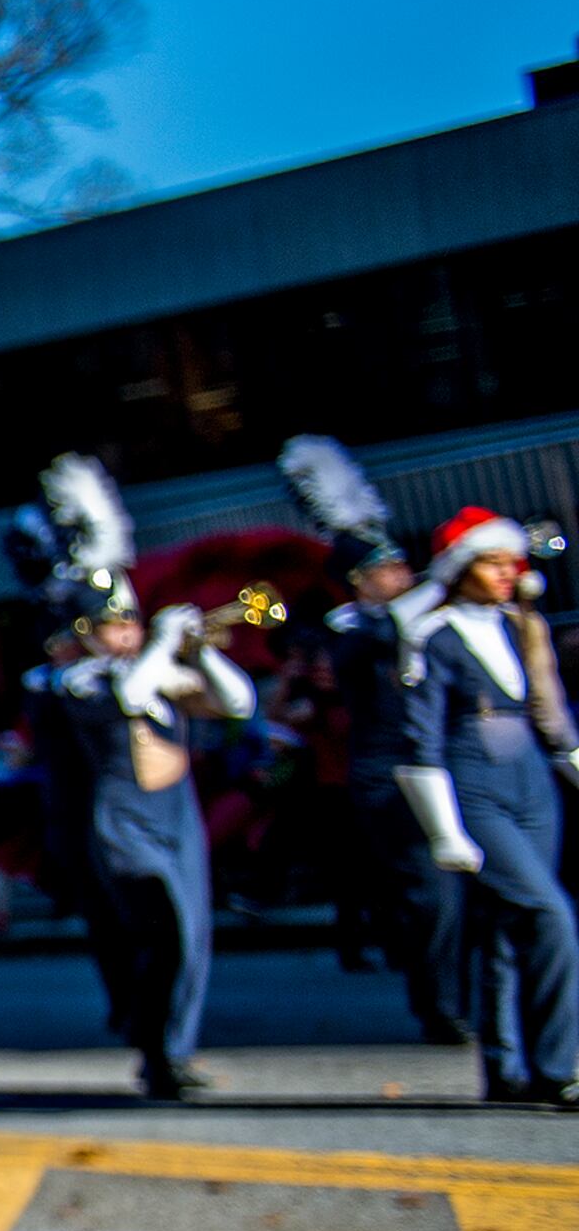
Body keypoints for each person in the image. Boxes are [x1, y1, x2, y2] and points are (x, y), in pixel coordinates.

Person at [41, 455, 254, 1100]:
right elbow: (130, 695)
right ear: (89, 631)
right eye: (115, 624)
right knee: (164, 936)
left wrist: (207, 654)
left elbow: (237, 705)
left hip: (178, 814)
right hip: (125, 819)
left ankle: (172, 1050)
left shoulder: (156, 671)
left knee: (194, 942)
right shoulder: (78, 680)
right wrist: (162, 643)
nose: (128, 632)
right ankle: (156, 1049)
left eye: (132, 621)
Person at [391, 508, 579, 1104]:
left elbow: (551, 713)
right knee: (552, 917)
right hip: (474, 778)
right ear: (461, 567)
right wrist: (444, 828)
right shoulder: (431, 635)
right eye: (492, 562)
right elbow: (419, 739)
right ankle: (559, 1065)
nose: (508, 573)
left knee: (507, 927)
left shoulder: (521, 625)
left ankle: (505, 1068)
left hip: (531, 778)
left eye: (510, 562)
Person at [284, 436, 466, 1043]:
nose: (401, 574)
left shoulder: (422, 618)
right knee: (428, 897)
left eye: (399, 565)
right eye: (387, 569)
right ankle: (438, 1004)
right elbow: (390, 636)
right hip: (387, 774)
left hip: (450, 762)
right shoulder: (353, 630)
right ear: (359, 581)